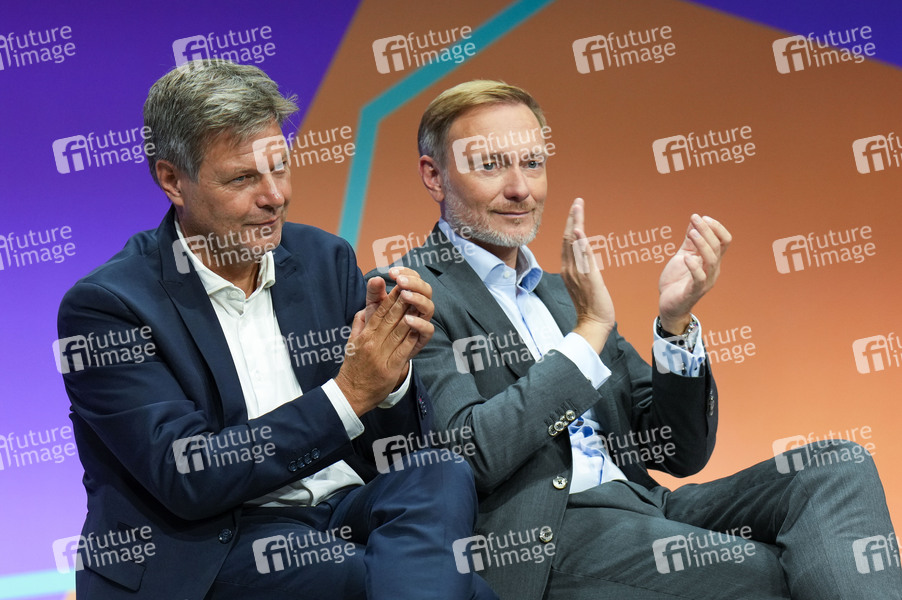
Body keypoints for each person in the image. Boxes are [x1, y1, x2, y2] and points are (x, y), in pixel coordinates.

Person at [372, 79, 902, 599]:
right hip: (543, 537)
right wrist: (588, 333)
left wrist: (675, 323)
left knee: (837, 466)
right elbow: (470, 454)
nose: (520, 188)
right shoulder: (411, 293)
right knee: (764, 570)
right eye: (491, 165)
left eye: (532, 163)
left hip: (646, 507)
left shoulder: (561, 295)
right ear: (435, 176)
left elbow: (679, 451)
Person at [55, 61, 497, 600]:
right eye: (243, 178)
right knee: (450, 591)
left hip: (342, 509)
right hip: (215, 541)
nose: (275, 196)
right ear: (172, 180)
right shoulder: (108, 307)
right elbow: (188, 477)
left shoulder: (323, 258)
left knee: (439, 470)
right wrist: (349, 393)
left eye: (280, 168)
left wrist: (391, 372)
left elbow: (393, 445)